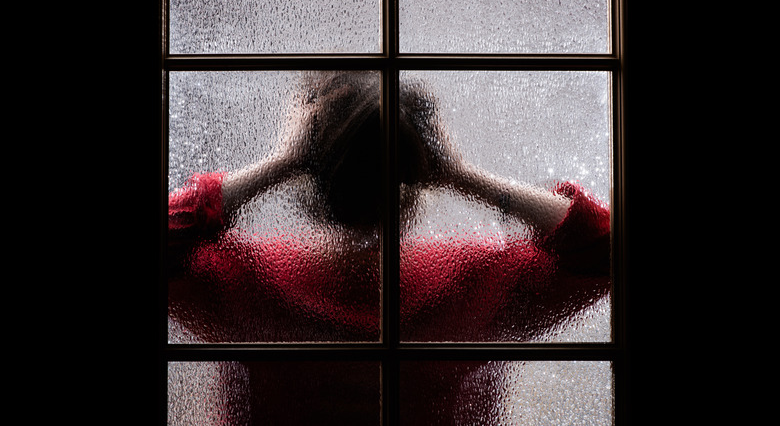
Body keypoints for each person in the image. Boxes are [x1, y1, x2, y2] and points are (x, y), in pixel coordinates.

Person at [167, 72, 611, 424]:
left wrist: (280, 161)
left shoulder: (245, 280)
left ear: (310, 177)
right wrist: (460, 174)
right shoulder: (477, 281)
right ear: (416, 175)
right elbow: (604, 246)